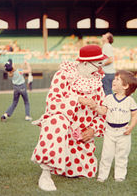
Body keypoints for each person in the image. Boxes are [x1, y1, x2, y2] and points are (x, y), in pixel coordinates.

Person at [31, 45, 108, 191]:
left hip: (81, 135)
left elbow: (102, 112)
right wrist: (77, 99)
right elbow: (53, 104)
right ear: (85, 63)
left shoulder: (97, 82)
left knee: (86, 172)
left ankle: (65, 162)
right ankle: (45, 174)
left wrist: (93, 129)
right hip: (62, 129)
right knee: (56, 121)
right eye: (98, 64)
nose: (100, 68)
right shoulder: (63, 75)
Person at [82, 70, 137, 182]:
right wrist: (95, 107)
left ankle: (120, 175)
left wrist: (131, 126)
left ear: (125, 86)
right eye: (114, 78)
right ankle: (102, 175)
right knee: (106, 154)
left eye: (117, 79)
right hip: (109, 131)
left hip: (123, 132)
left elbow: (135, 114)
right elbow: (103, 111)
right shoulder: (109, 98)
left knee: (121, 155)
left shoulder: (129, 100)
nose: (114, 81)